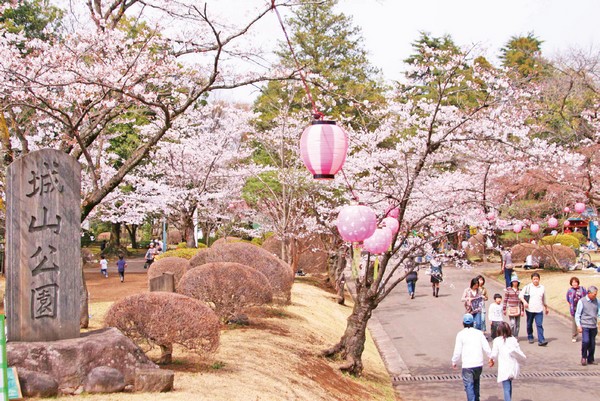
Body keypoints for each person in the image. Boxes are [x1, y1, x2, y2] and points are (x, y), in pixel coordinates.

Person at [452, 313, 493, 401]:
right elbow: (486, 347)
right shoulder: (479, 333)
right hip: (478, 364)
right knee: (476, 383)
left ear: (463, 323)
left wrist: (454, 361)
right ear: (473, 323)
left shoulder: (460, 334)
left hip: (467, 365)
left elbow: (457, 350)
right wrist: (491, 357)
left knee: (469, 386)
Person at [489, 322, 526, 401]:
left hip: (504, 367)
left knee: (506, 387)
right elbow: (519, 351)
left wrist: (491, 359)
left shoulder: (497, 340)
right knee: (509, 385)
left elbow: (494, 354)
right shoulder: (513, 339)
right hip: (513, 366)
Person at [519, 272, 549, 346]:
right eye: (534, 279)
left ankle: (541, 340)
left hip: (539, 309)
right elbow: (520, 296)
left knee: (539, 324)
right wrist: (525, 302)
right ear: (532, 279)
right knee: (529, 324)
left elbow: (544, 298)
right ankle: (530, 336)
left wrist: (546, 307)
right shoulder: (528, 287)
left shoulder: (542, 287)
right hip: (530, 309)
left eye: (537, 279)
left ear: (539, 279)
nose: (536, 280)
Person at [575, 285, 600, 366]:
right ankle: (583, 357)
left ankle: (590, 358)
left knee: (592, 344)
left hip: (593, 325)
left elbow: (599, 312)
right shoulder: (582, 301)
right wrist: (579, 325)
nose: (595, 296)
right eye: (594, 294)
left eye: (596, 294)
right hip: (585, 325)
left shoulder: (597, 301)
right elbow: (577, 314)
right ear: (589, 293)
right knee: (586, 341)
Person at [566, 277, 587, 343]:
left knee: (584, 322)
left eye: (575, 282)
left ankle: (585, 336)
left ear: (578, 282)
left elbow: (586, 297)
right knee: (574, 323)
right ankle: (574, 336)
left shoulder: (582, 289)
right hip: (574, 308)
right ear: (571, 283)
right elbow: (568, 299)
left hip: (582, 308)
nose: (574, 283)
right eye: (573, 282)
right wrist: (571, 306)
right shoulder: (570, 290)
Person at [503, 273, 524, 338]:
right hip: (511, 308)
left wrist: (522, 310)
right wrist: (504, 309)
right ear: (512, 282)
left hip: (518, 308)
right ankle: (511, 335)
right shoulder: (508, 290)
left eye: (516, 282)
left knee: (517, 324)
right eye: (514, 282)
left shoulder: (520, 291)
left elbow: (522, 301)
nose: (515, 283)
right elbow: (505, 299)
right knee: (512, 323)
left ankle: (516, 335)